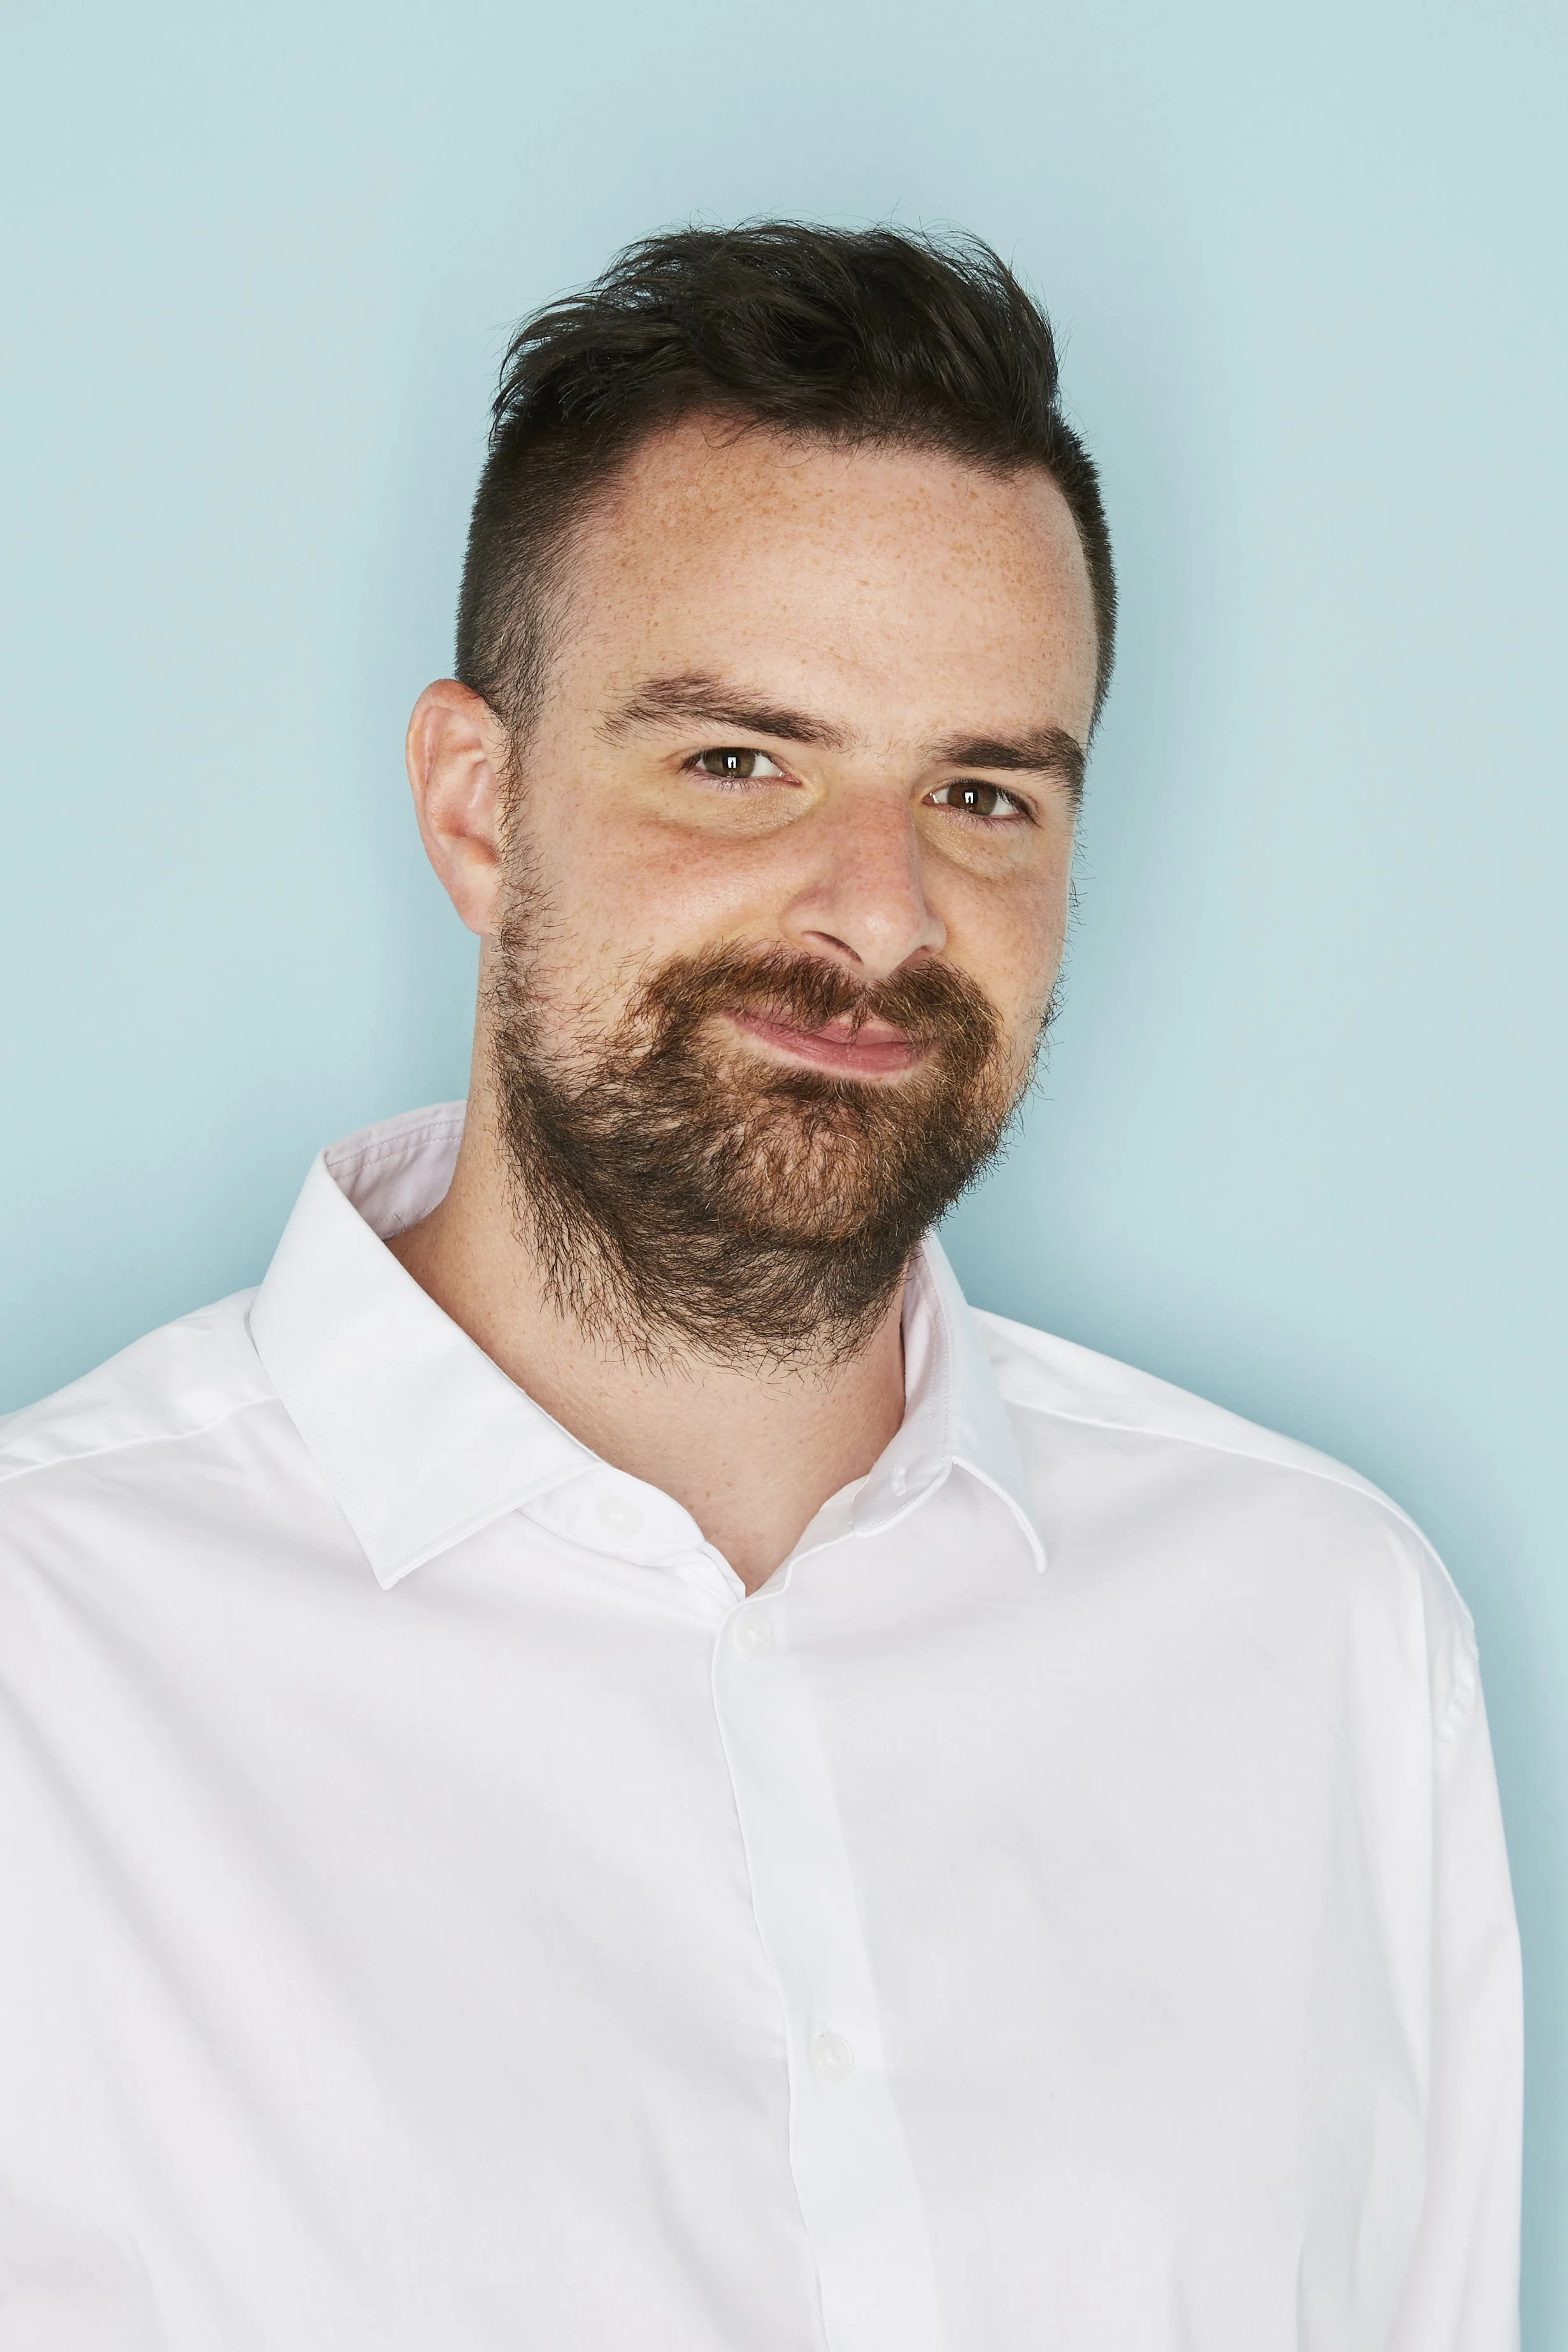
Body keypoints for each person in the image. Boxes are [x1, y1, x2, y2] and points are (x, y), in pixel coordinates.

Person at [0, 223, 1520, 2351]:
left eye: (980, 791)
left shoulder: (1325, 1637)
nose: (876, 911)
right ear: (476, 803)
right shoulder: (46, 1674)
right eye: (741, 760)